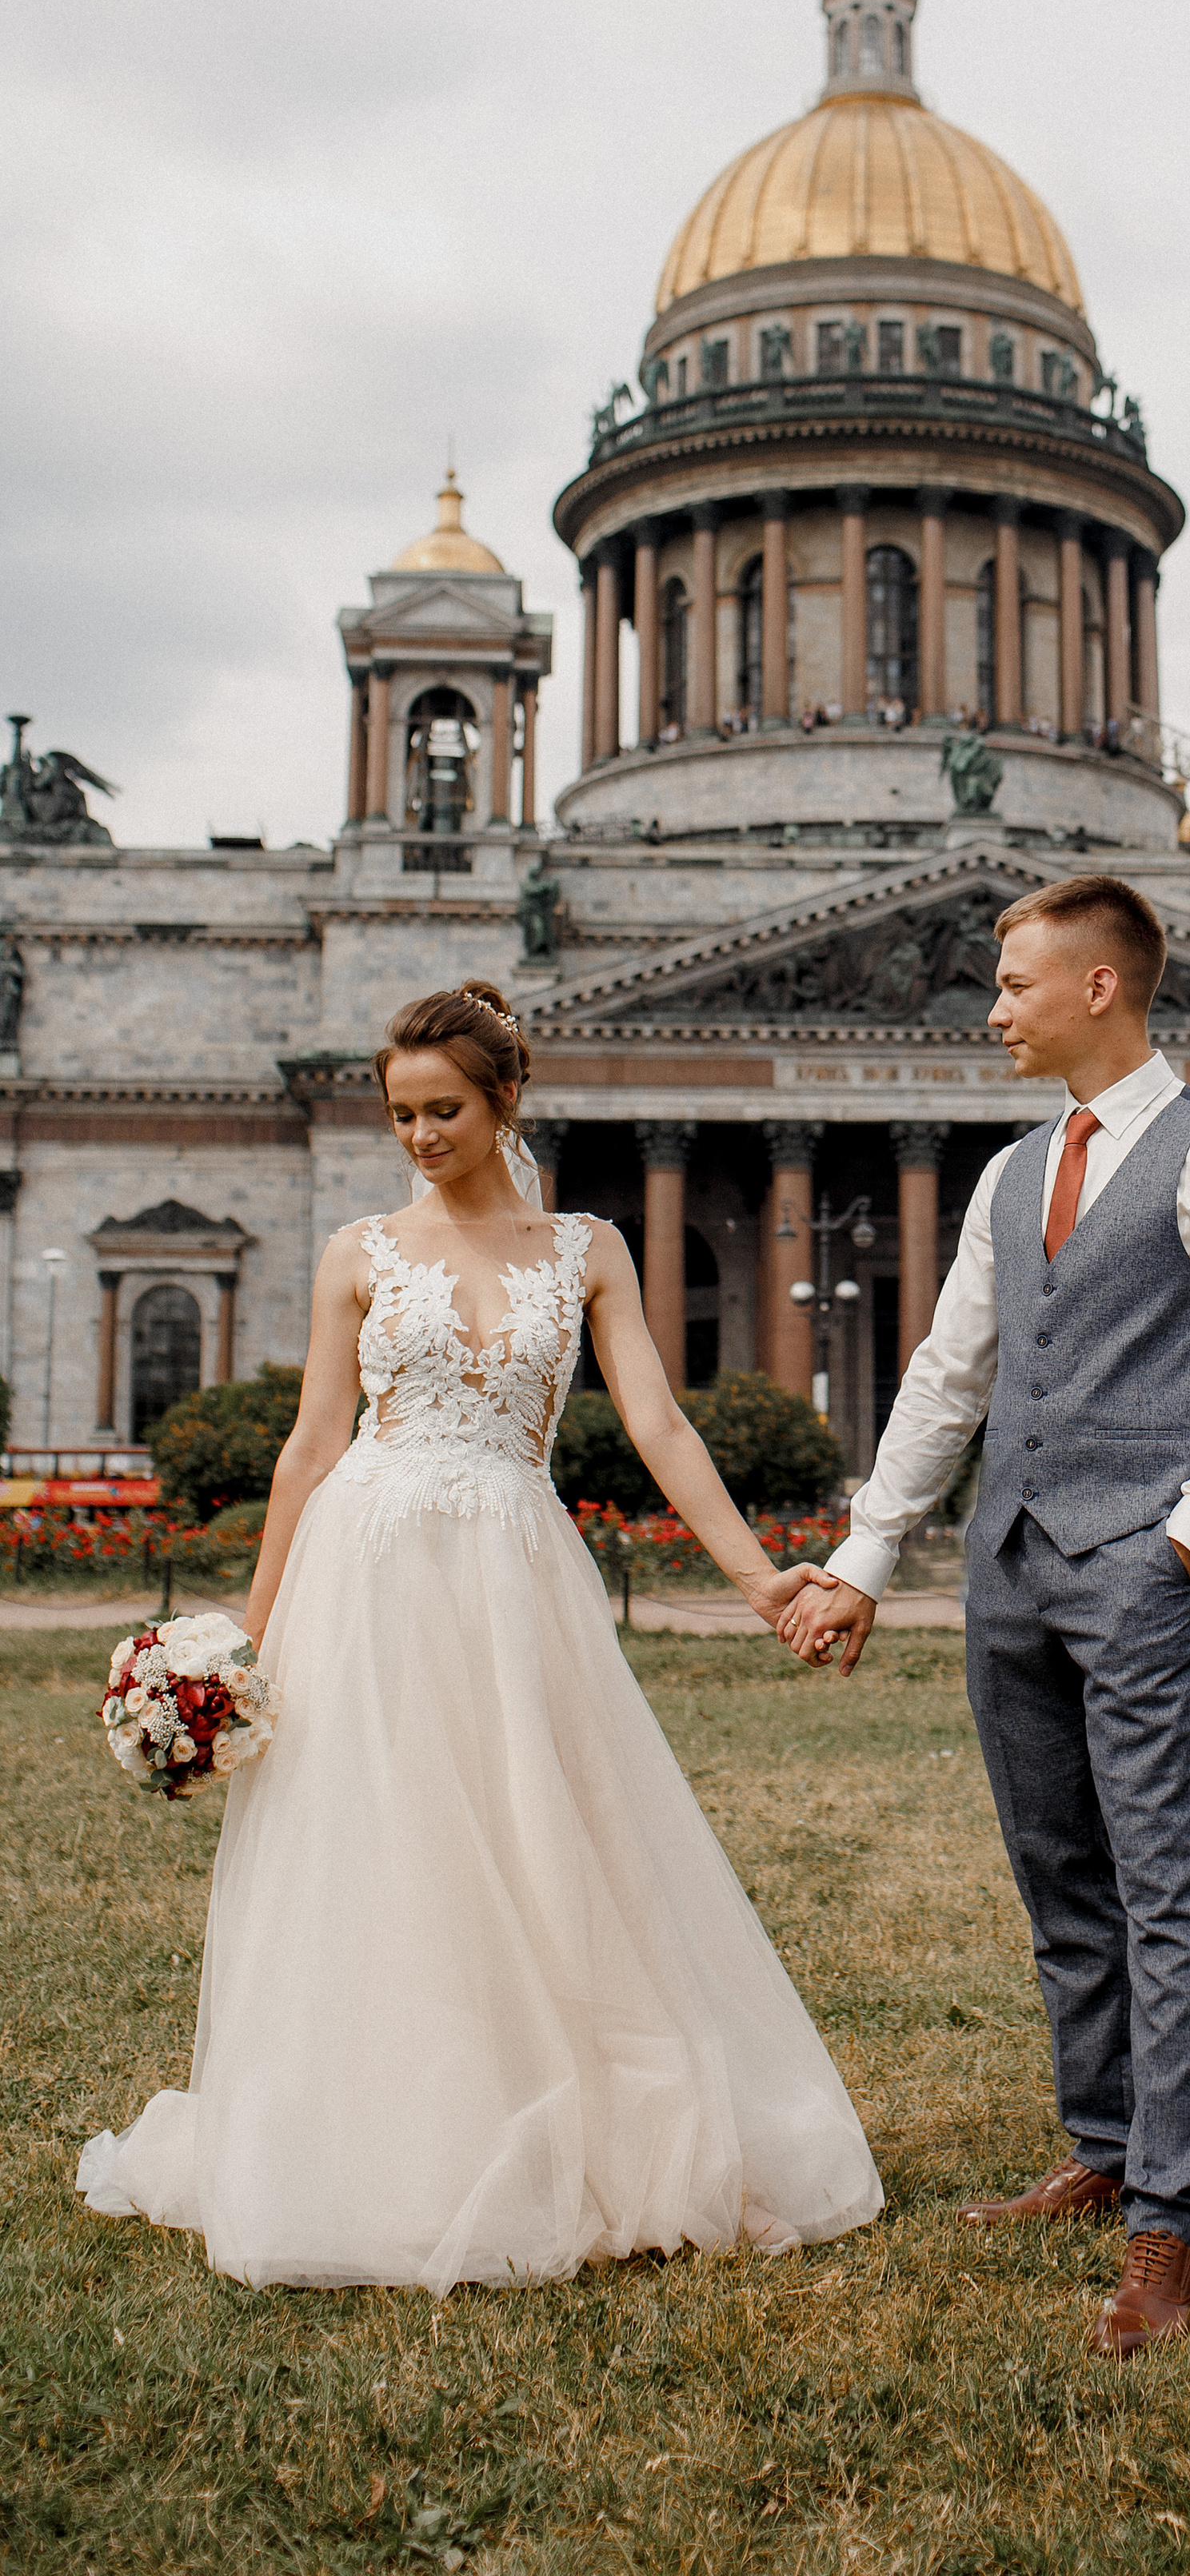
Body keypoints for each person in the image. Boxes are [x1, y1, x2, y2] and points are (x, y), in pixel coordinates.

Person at [79, 979, 881, 2291]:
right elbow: (310, 1442)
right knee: (384, 1843)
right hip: (370, 1566)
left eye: (442, 1109)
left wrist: (753, 1577)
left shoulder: (589, 1250)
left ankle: (562, 2112)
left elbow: (658, 1426)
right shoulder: (357, 1251)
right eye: (399, 1113)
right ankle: (377, 2133)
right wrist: (245, 1636)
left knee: (541, 1831)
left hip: (514, 1563)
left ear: (506, 1100)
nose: (418, 1135)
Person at [780, 876, 1190, 2357]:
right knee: (1059, 1874)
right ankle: (1099, 2144)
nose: (995, 1007)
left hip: (1139, 1571)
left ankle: (1171, 2229)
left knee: (1164, 1884)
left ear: (1099, 989)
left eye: (1016, 983)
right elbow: (948, 1377)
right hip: (1009, 1568)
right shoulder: (1013, 1174)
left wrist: (1187, 1543)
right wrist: (867, 1561)